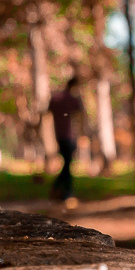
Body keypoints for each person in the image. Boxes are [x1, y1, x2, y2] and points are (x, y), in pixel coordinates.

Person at [48, 76, 87, 206]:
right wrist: (82, 133)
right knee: (68, 163)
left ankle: (60, 189)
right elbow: (81, 114)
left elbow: (48, 111)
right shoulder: (71, 99)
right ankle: (66, 192)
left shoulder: (56, 98)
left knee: (67, 163)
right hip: (68, 136)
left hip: (59, 135)